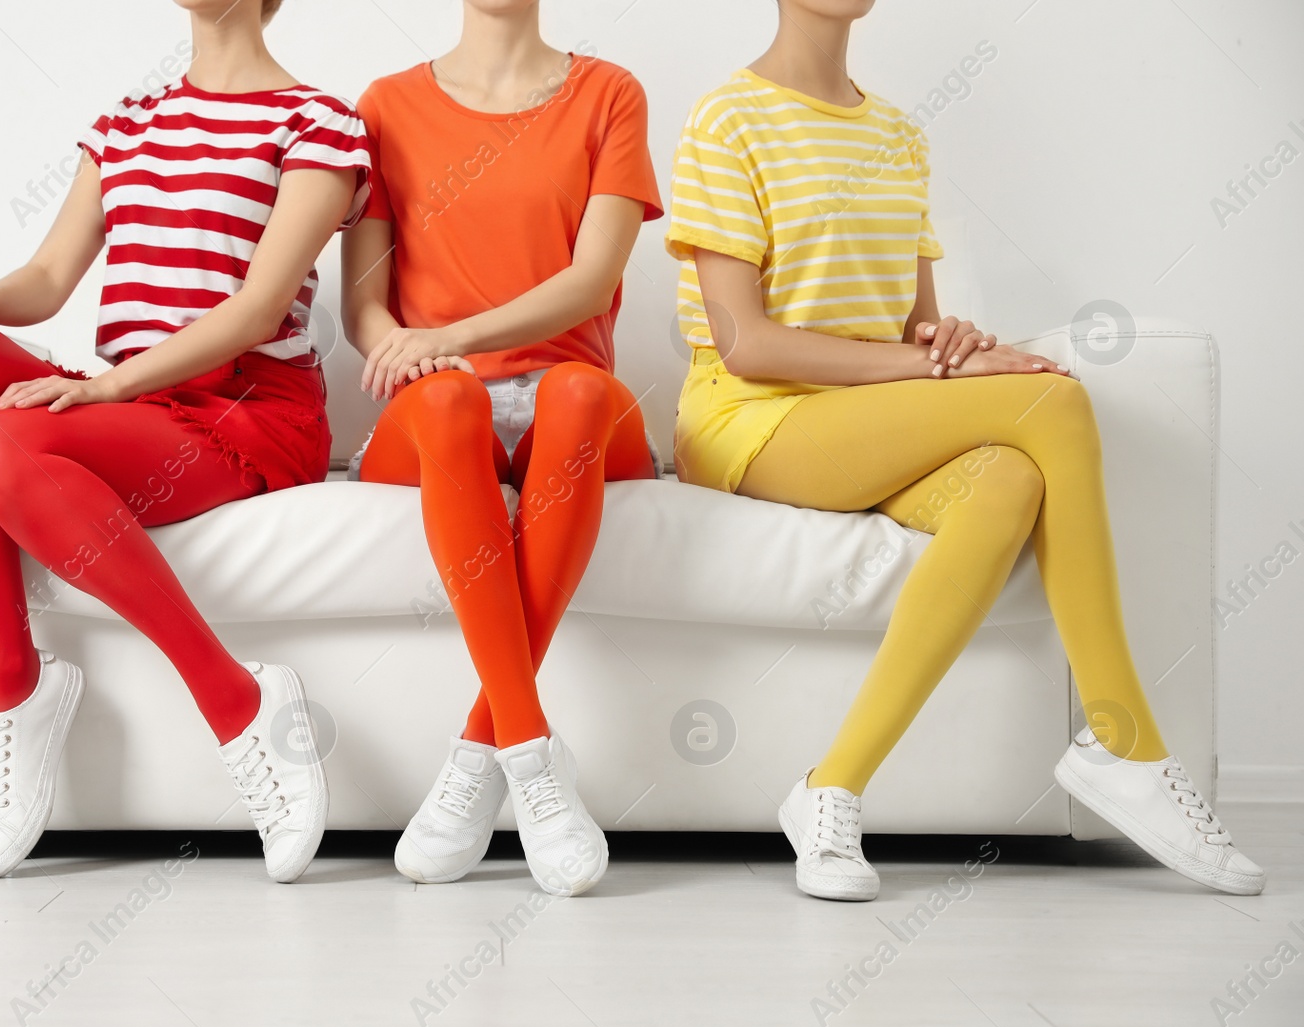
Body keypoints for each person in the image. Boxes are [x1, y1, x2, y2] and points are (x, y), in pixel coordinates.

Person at [665, 0, 1262, 900]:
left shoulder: (900, 135)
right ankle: (1123, 739)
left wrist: (952, 345)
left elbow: (913, 326)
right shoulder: (726, 119)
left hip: (866, 416)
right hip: (751, 420)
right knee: (1054, 404)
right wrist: (933, 368)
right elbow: (745, 344)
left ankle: (831, 788)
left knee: (1011, 479)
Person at [0, 0, 370, 880]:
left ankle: (237, 702)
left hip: (249, 409)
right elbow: (47, 276)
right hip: (137, 404)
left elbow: (259, 308)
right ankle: (16, 686)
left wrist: (105, 383)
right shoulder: (128, 121)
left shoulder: (321, 124)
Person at [342, 0, 664, 897]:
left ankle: (480, 753)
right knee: (445, 397)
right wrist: (401, 349)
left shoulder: (609, 93)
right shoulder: (383, 106)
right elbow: (363, 305)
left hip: (572, 398)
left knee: (582, 389)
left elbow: (591, 281)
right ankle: (530, 755)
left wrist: (451, 331)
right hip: (436, 408)